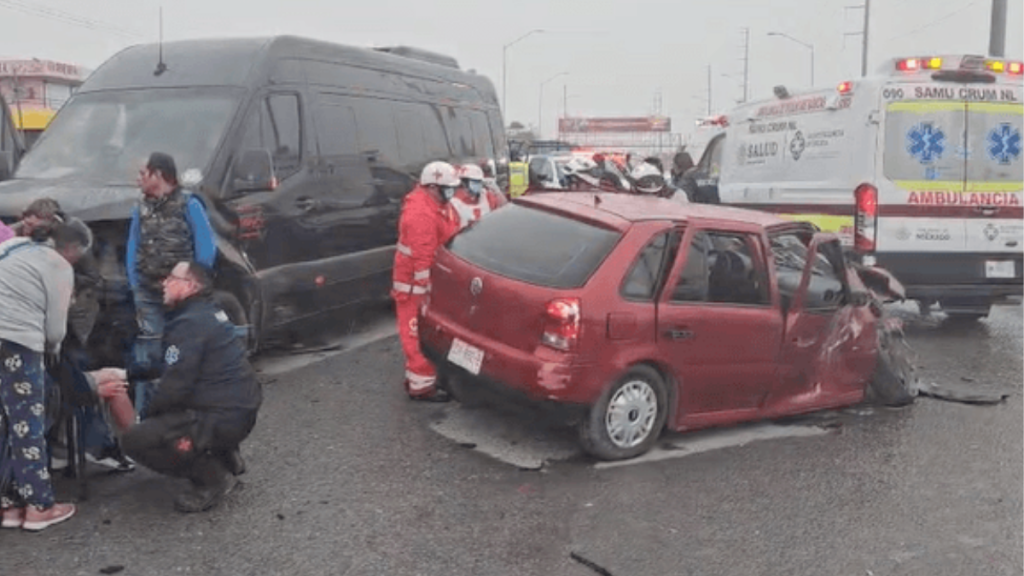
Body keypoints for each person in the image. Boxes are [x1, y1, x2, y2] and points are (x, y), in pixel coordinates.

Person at [120, 261, 261, 513]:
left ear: (190, 286)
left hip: (221, 417)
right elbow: (168, 362)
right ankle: (223, 453)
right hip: (238, 410)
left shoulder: (188, 324)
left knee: (136, 440)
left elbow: (175, 387)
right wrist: (128, 374)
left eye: (171, 277)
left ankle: (212, 478)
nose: (164, 282)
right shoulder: (206, 312)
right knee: (176, 416)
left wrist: (148, 420)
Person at [0, 221, 89, 531]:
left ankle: (8, 506)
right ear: (72, 249)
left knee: (3, 422)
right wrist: (52, 347)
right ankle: (39, 507)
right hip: (17, 342)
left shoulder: (13, 246)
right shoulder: (59, 265)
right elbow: (55, 330)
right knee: (27, 423)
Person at [126, 152, 217, 419]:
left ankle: (188, 412)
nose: (138, 179)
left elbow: (206, 248)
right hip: (148, 294)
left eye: (143, 173)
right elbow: (134, 246)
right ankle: (148, 417)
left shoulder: (189, 204)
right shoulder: (140, 207)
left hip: (183, 298)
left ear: (159, 175)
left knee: (184, 351)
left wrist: (193, 286)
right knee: (149, 355)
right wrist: (135, 284)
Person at [393, 161, 461, 402]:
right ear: (433, 186)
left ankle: (426, 377)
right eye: (447, 188)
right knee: (415, 334)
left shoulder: (439, 205)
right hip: (414, 286)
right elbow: (423, 255)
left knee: (428, 333)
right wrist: (429, 286)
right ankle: (420, 387)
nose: (452, 192)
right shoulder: (420, 213)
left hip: (431, 280)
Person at [449, 164, 508, 230]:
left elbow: (505, 209)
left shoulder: (486, 195)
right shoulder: (453, 202)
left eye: (479, 182)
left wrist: (497, 192)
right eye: (475, 182)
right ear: (464, 183)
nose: (478, 185)